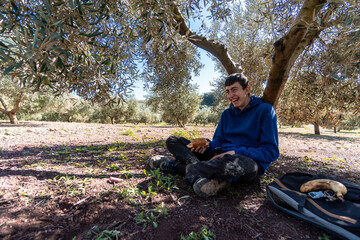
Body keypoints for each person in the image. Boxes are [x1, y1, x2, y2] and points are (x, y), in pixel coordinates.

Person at [150, 73, 279, 197]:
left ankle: (179, 167)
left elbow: (271, 152)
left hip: (246, 163)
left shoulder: (265, 111)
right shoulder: (227, 114)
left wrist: (234, 152)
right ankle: (208, 174)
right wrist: (207, 146)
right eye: (227, 91)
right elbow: (218, 141)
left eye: (234, 90)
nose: (230, 95)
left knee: (233, 164)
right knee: (173, 140)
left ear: (247, 90)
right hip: (219, 156)